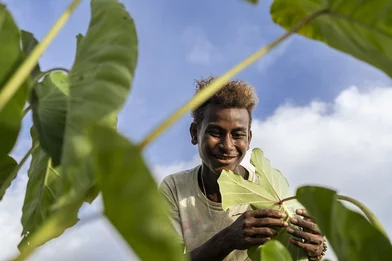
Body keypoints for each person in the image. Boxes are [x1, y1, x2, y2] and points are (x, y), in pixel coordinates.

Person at [159, 77, 327, 261]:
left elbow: (287, 254)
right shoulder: (175, 187)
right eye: (215, 133)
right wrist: (227, 239)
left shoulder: (268, 188)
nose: (227, 145)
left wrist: (314, 252)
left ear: (249, 139)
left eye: (238, 135)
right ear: (194, 133)